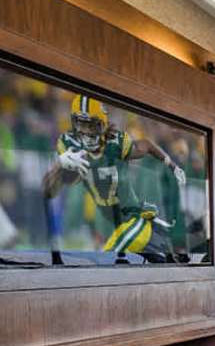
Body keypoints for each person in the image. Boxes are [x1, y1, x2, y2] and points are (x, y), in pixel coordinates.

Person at [42, 94, 187, 263]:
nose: (86, 132)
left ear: (102, 125)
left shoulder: (116, 144)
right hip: (116, 226)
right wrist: (59, 164)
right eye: (81, 124)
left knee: (107, 260)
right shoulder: (71, 150)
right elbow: (48, 192)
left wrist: (172, 165)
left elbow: (146, 145)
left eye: (91, 125)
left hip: (135, 220)